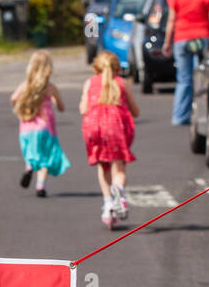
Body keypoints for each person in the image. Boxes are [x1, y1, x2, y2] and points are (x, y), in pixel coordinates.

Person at [80, 50, 140, 230]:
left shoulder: (90, 82)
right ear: (117, 69)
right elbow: (135, 111)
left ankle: (108, 205)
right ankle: (119, 191)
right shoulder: (121, 83)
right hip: (115, 127)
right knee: (118, 167)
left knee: (102, 165)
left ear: (95, 69)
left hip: (94, 127)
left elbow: (83, 109)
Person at [11, 51, 70, 197]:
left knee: (31, 152)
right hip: (45, 128)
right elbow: (61, 107)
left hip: (26, 128)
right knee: (45, 156)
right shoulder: (50, 88)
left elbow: (13, 98)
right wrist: (56, 102)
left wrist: (21, 106)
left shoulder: (24, 86)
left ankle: (29, 167)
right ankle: (40, 186)